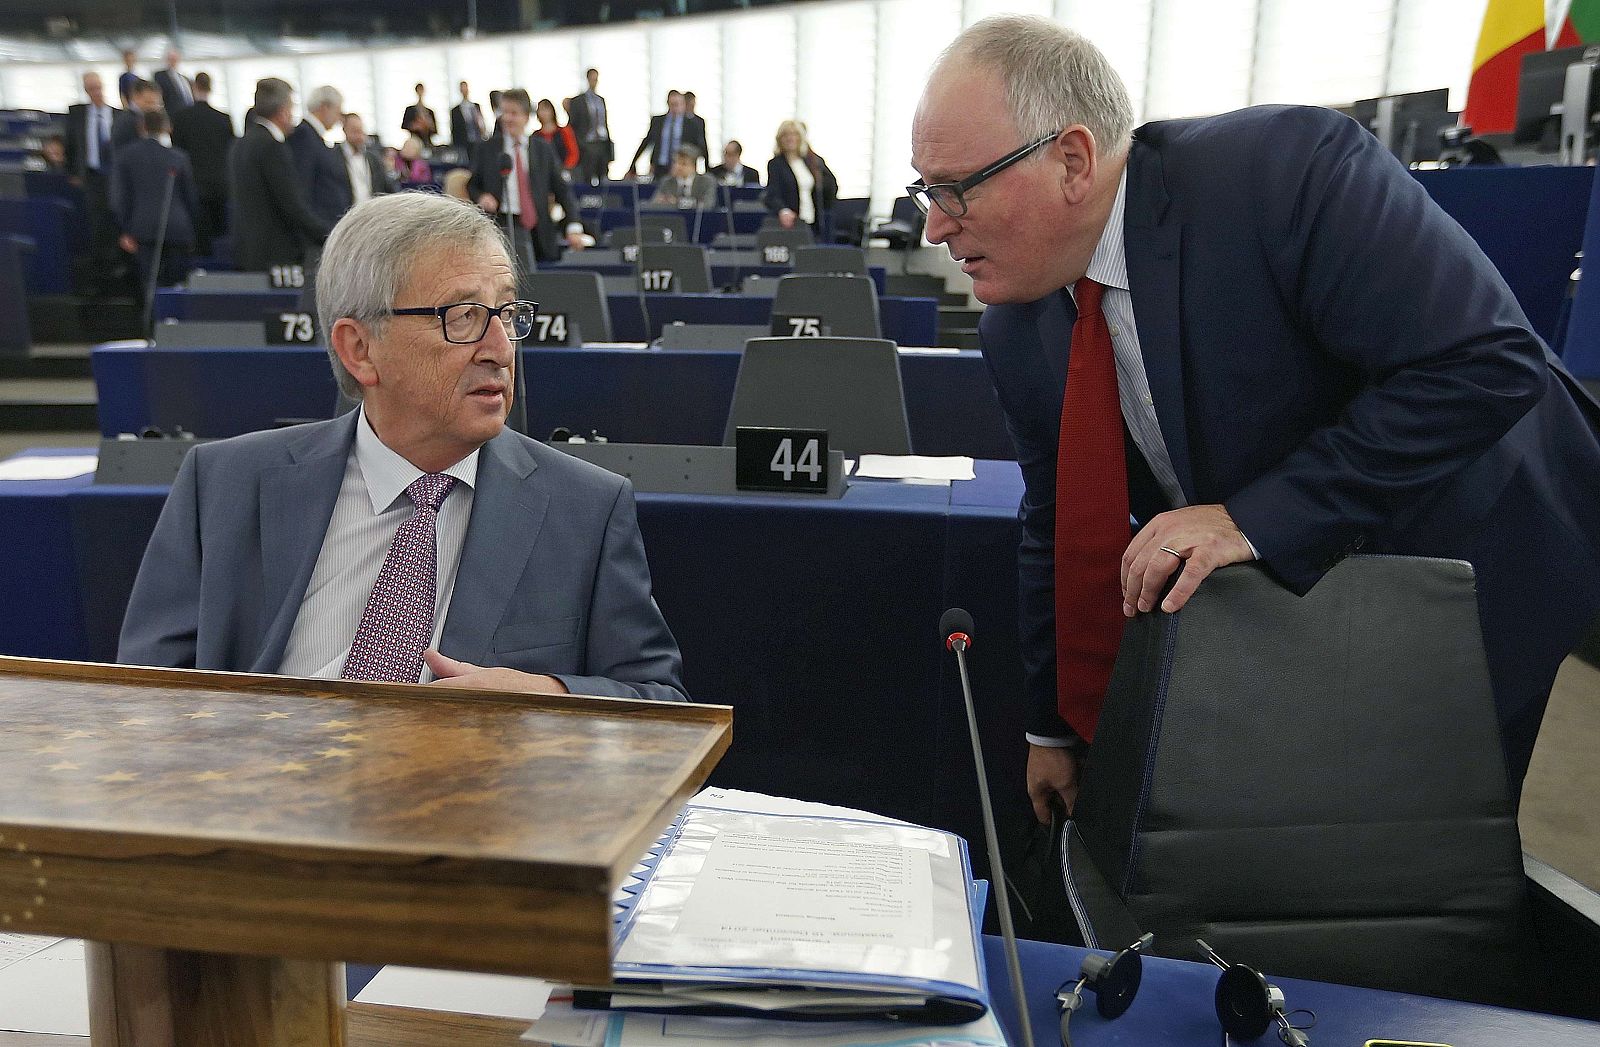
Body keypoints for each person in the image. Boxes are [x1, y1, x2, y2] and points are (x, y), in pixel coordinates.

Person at [910, 15, 1600, 818]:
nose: (935, 224)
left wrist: (1254, 518)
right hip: (1312, 586)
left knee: (1417, 851)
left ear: (1072, 158)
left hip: (1475, 538)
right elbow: (1057, 520)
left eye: (958, 187)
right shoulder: (1015, 326)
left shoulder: (1282, 174)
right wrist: (1051, 725)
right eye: (926, 189)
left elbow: (1485, 362)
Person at [117, 191, 687, 703]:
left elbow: (660, 700)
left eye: (507, 315)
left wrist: (546, 696)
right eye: (462, 317)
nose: (500, 348)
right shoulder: (224, 483)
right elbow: (146, 696)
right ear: (360, 349)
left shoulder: (584, 507)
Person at [468, 88, 585, 269]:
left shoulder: (542, 149)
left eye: (513, 113)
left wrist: (574, 227)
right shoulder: (487, 149)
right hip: (502, 227)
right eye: (504, 112)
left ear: (526, 116)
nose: (507, 118)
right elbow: (473, 185)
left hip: (539, 230)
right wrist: (481, 196)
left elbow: (563, 190)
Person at [229, 77, 330, 272]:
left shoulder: (239, 144)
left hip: (246, 251)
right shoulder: (272, 147)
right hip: (276, 256)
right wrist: (329, 235)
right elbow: (291, 205)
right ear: (283, 111)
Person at [110, 107, 197, 291]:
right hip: (177, 230)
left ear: (141, 127)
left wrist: (125, 230)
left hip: (142, 231)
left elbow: (120, 198)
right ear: (167, 128)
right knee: (177, 287)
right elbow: (190, 198)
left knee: (151, 287)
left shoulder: (125, 156)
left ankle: (154, 319)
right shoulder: (179, 157)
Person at [65, 72, 122, 295]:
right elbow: (71, 145)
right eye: (91, 88)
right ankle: (102, 270)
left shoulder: (117, 115)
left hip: (115, 176)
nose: (96, 92)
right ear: (86, 91)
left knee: (116, 216)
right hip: (92, 176)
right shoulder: (78, 116)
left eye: (98, 87)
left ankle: (119, 264)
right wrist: (73, 171)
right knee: (96, 221)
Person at [170, 71, 236, 255]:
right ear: (211, 87)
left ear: (193, 88)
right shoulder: (223, 119)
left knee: (201, 241)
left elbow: (177, 151)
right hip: (221, 186)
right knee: (221, 238)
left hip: (195, 186)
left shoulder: (181, 118)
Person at [289, 85, 355, 226]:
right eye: (338, 111)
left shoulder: (315, 137)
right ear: (324, 108)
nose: (339, 119)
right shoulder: (303, 136)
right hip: (319, 226)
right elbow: (304, 187)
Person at [764, 119, 836, 234]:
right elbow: (772, 194)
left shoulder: (812, 161)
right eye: (786, 135)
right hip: (791, 223)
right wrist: (783, 210)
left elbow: (831, 186)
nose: (790, 138)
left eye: (794, 134)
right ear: (780, 139)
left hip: (813, 220)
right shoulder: (776, 164)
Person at [630, 90, 706, 181]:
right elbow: (646, 142)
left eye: (678, 104)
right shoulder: (658, 121)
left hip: (681, 168)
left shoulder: (693, 124)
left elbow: (700, 146)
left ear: (683, 104)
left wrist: (706, 169)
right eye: (672, 104)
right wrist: (633, 164)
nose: (675, 108)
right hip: (660, 167)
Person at [568, 68, 612, 186]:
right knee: (586, 178)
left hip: (601, 143)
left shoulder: (601, 100)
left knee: (603, 179)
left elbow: (604, 123)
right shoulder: (578, 101)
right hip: (587, 144)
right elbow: (573, 125)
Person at [341, 113, 392, 205]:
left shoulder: (373, 159)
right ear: (345, 130)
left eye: (361, 131)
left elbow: (385, 186)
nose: (359, 136)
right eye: (355, 131)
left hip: (370, 212)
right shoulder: (334, 157)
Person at [533, 98, 579, 171]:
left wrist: (566, 168)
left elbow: (573, 153)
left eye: (546, 109)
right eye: (541, 110)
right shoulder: (535, 136)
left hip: (564, 170)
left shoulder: (564, 131)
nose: (544, 113)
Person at [113, 79, 161, 148]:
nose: (153, 108)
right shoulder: (128, 121)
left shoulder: (141, 118)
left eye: (157, 104)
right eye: (149, 102)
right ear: (135, 97)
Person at [153, 48, 194, 114]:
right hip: (172, 113)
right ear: (167, 60)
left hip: (188, 114)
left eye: (175, 59)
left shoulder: (184, 78)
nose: (173, 61)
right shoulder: (160, 75)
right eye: (171, 59)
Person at [451, 80, 486, 150]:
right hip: (463, 143)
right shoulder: (456, 110)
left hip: (477, 140)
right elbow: (455, 129)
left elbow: (481, 122)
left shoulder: (475, 106)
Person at [402, 83, 438, 148]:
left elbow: (435, 129)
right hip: (414, 142)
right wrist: (415, 126)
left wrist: (428, 126)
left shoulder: (429, 111)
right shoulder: (410, 110)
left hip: (427, 142)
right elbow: (405, 125)